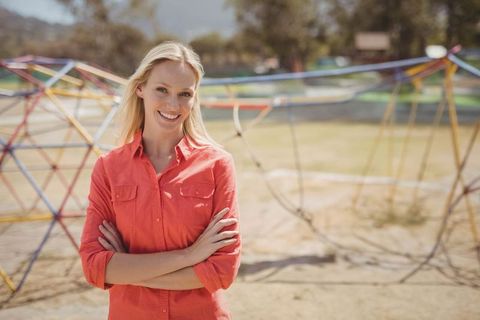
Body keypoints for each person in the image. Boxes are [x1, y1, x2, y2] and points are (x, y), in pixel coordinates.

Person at [79, 41, 241, 320]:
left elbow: (222, 270)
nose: (173, 104)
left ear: (194, 98)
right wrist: (189, 256)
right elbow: (95, 266)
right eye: (162, 90)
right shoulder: (108, 168)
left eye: (184, 94)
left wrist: (128, 270)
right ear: (140, 88)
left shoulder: (217, 165)